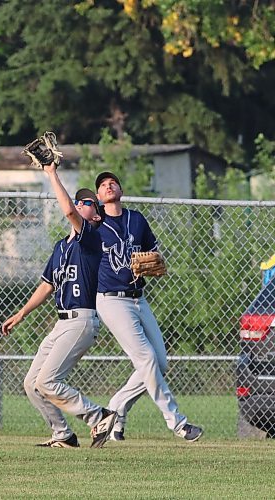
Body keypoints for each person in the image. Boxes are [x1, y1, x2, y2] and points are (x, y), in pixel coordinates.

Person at [2, 163, 117, 449]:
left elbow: (68, 211)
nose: (81, 204)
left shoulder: (92, 237)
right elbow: (47, 285)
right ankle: (63, 434)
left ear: (97, 215)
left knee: (49, 381)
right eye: (80, 200)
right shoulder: (61, 247)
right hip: (62, 323)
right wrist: (21, 313)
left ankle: (99, 415)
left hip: (81, 320)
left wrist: (51, 173)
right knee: (33, 384)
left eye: (88, 202)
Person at [94, 171, 203, 442]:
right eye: (103, 185)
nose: (109, 186)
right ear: (98, 196)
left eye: (112, 182)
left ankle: (116, 409)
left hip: (137, 297)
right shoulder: (95, 225)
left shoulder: (136, 219)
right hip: (110, 299)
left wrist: (154, 261)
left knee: (160, 363)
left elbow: (155, 253)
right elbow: (74, 218)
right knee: (146, 359)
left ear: (121, 189)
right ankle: (178, 423)